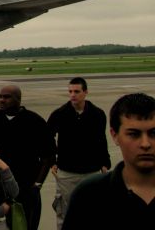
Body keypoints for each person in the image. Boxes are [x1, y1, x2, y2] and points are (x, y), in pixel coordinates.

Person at [62, 92, 155, 229]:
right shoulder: (89, 195)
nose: (145, 144)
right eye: (134, 134)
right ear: (114, 135)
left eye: (154, 133)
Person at [0, 85, 55, 230]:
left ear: (18, 99)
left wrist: (37, 185)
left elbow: (48, 157)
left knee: (28, 225)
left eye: (6, 97)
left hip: (26, 189)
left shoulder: (34, 121)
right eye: (0, 97)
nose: (2, 100)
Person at [47, 77, 110, 229]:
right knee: (65, 212)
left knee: (94, 212)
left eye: (76, 91)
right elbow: (47, 137)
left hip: (92, 171)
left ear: (85, 92)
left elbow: (101, 139)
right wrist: (52, 160)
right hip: (67, 173)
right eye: (70, 91)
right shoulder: (59, 114)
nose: (72, 95)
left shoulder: (98, 114)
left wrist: (105, 162)